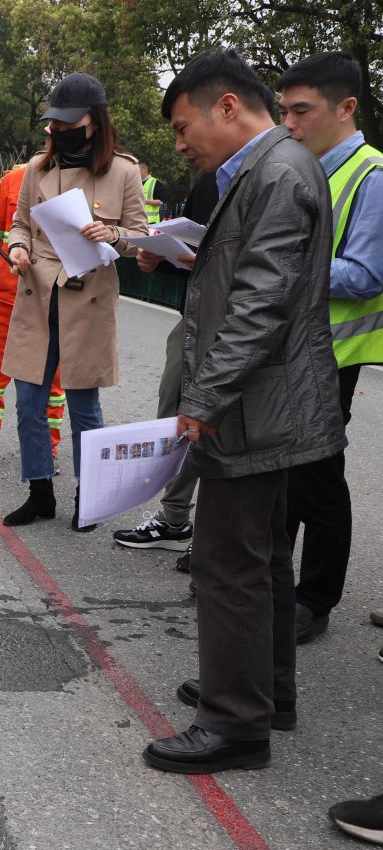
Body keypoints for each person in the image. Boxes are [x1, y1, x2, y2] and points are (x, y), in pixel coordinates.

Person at [141, 48, 344, 774]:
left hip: (254, 405)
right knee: (262, 558)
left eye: (182, 126)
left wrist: (200, 401)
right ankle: (265, 692)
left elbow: (261, 303)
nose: (179, 144)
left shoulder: (278, 173)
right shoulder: (272, 168)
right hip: (263, 401)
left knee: (226, 563)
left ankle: (234, 724)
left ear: (226, 106)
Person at [1, 72, 148, 530]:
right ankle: (40, 490)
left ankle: (91, 496)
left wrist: (113, 234)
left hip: (89, 298)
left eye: (70, 123)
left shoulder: (123, 171)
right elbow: (20, 224)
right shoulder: (37, 168)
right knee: (28, 402)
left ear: (94, 121)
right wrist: (18, 248)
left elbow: (140, 236)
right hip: (38, 293)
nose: (61, 131)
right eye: (56, 123)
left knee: (84, 404)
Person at [273, 51, 383, 644]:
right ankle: (274, 583)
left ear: (346, 108)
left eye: (301, 111)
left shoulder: (372, 175)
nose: (288, 123)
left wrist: (279, 264)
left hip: (331, 358)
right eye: (284, 111)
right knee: (287, 474)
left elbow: (365, 275)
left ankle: (314, 600)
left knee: (318, 480)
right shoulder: (306, 168)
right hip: (291, 351)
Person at [113, 171, 219, 561]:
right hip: (194, 319)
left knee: (231, 432)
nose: (181, 146)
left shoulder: (273, 175)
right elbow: (189, 250)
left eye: (186, 138)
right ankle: (175, 520)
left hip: (246, 326)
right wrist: (159, 258)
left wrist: (213, 261)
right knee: (178, 417)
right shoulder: (209, 181)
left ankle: (218, 539)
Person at [0, 163, 64, 472]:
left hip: (51, 301)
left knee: (51, 383)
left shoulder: (82, 182)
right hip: (4, 299)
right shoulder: (14, 180)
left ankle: (45, 448)